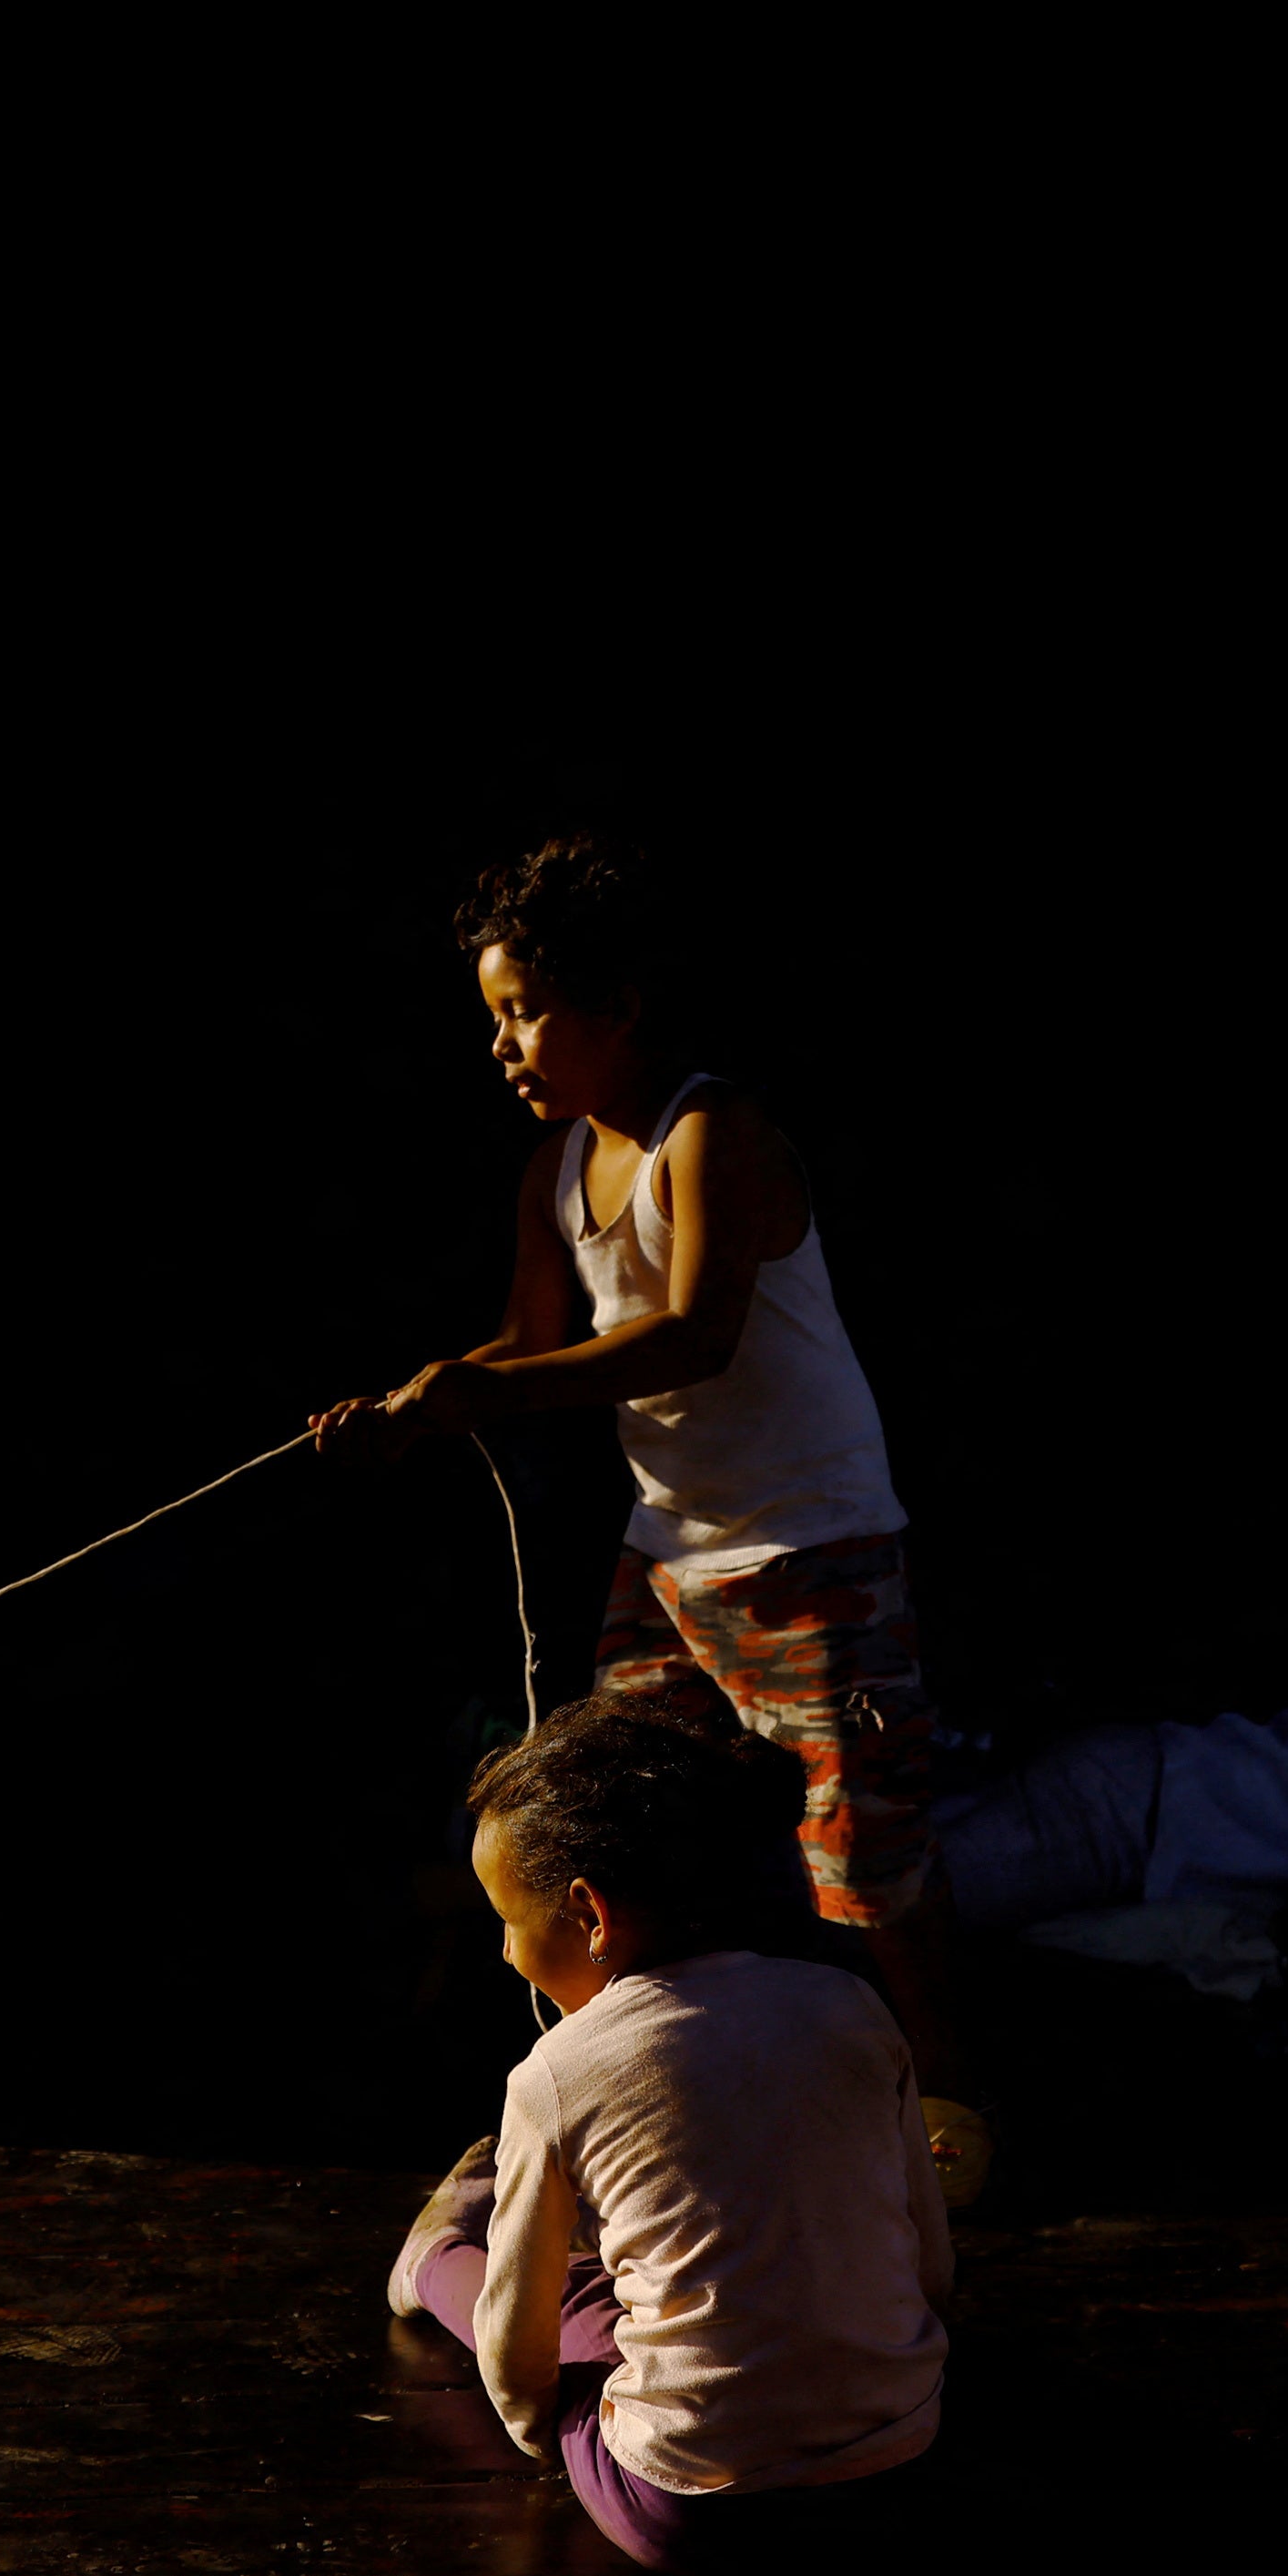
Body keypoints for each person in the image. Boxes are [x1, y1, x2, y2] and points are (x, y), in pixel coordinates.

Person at [318, 836, 988, 2198]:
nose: (503, 1042)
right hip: (675, 1557)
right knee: (615, 1831)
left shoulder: (710, 1133)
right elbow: (527, 1341)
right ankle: (652, 2098)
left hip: (813, 1553)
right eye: (493, 1015)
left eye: (526, 1010)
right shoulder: (556, 1167)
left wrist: (469, 1393)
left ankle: (951, 2110)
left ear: (614, 1004)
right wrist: (412, 1406)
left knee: (864, 1864)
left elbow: (692, 1336)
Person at [385, 1695, 954, 2571]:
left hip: (689, 2509)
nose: (504, 1952)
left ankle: (426, 2261)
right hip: (900, 2468)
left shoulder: (556, 2072)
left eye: (508, 1920)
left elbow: (516, 2338)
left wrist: (555, 2430)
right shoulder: (852, 2007)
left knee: (573, 2299)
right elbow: (929, 2264)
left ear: (591, 1914)